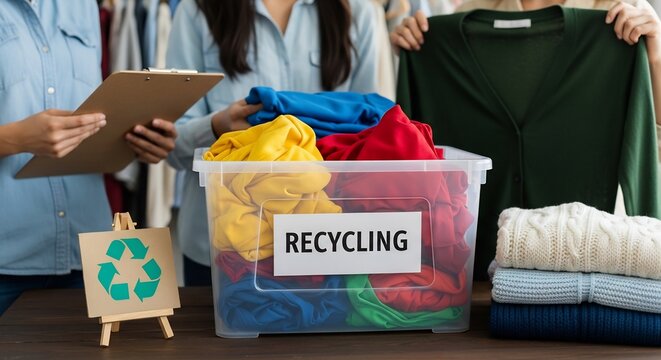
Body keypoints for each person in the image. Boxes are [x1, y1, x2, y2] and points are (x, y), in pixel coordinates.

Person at [166, 0, 379, 286]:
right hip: (222, 250)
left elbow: (373, 130)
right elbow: (172, 145)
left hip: (322, 243)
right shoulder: (198, 10)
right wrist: (217, 127)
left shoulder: (355, 11)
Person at [0, 0, 177, 315]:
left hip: (93, 257)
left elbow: (94, 118)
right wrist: (15, 139)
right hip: (6, 261)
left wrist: (140, 141)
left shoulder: (82, 6)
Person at [390, 0, 661, 143]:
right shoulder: (465, 20)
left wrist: (655, 56)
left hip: (591, 237)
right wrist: (417, 46)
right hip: (480, 238)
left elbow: (653, 148)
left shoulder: (621, 17)